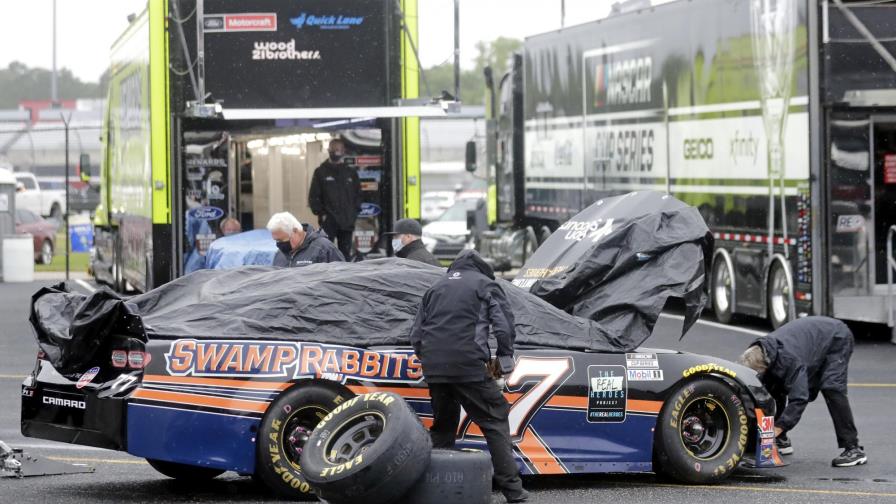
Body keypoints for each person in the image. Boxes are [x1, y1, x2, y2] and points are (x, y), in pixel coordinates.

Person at [409, 250, 528, 503]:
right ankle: (514, 490)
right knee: (494, 420)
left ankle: (432, 489)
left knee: (443, 428)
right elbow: (503, 325)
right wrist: (505, 359)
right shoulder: (485, 284)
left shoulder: (436, 287)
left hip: (434, 368)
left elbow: (416, 335)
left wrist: (431, 360)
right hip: (468, 365)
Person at [738, 316, 867, 467]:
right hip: (809, 340)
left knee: (832, 388)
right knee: (772, 388)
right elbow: (763, 396)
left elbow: (800, 398)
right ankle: (781, 440)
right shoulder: (758, 352)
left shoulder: (789, 361)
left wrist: (778, 427)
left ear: (764, 366)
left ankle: (853, 448)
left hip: (835, 337)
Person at [308, 138, 361, 260]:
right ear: (328, 150)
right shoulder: (320, 172)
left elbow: (358, 195)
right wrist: (322, 214)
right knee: (326, 254)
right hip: (328, 222)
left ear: (343, 151)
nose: (336, 152)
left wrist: (353, 213)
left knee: (345, 255)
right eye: (333, 149)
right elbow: (313, 196)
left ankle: (345, 277)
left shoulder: (350, 172)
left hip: (347, 222)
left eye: (339, 150)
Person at [266, 211, 344, 267]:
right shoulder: (280, 254)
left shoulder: (324, 249)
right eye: (276, 240)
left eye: (281, 240)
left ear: (295, 231)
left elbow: (341, 278)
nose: (279, 245)